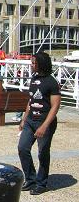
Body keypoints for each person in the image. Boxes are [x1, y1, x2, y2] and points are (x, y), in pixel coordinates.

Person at [18, 52, 61, 195]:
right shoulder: (34, 78)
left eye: (33, 63)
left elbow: (55, 106)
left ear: (40, 64)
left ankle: (41, 183)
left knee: (43, 153)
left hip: (44, 122)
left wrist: (44, 126)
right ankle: (30, 179)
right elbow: (31, 101)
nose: (31, 65)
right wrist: (24, 119)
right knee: (23, 148)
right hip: (30, 120)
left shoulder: (51, 82)